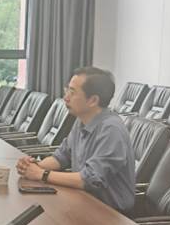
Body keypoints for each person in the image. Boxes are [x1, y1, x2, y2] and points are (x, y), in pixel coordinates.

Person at [16, 67, 136, 215]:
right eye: (67, 90)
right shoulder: (82, 121)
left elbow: (89, 179)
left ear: (93, 100)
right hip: (83, 202)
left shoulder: (111, 130)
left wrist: (41, 174)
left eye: (72, 93)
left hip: (111, 214)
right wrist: (33, 167)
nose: (66, 97)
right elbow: (61, 157)